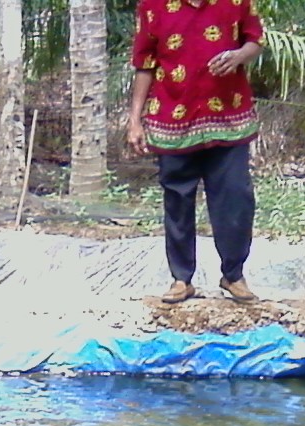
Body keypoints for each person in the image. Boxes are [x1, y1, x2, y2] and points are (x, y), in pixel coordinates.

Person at [126, 0, 264, 304]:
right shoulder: (152, 5)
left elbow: (255, 40)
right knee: (177, 201)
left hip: (229, 117)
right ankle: (181, 279)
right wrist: (135, 120)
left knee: (235, 199)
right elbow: (144, 63)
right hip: (171, 118)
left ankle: (233, 275)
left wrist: (240, 55)